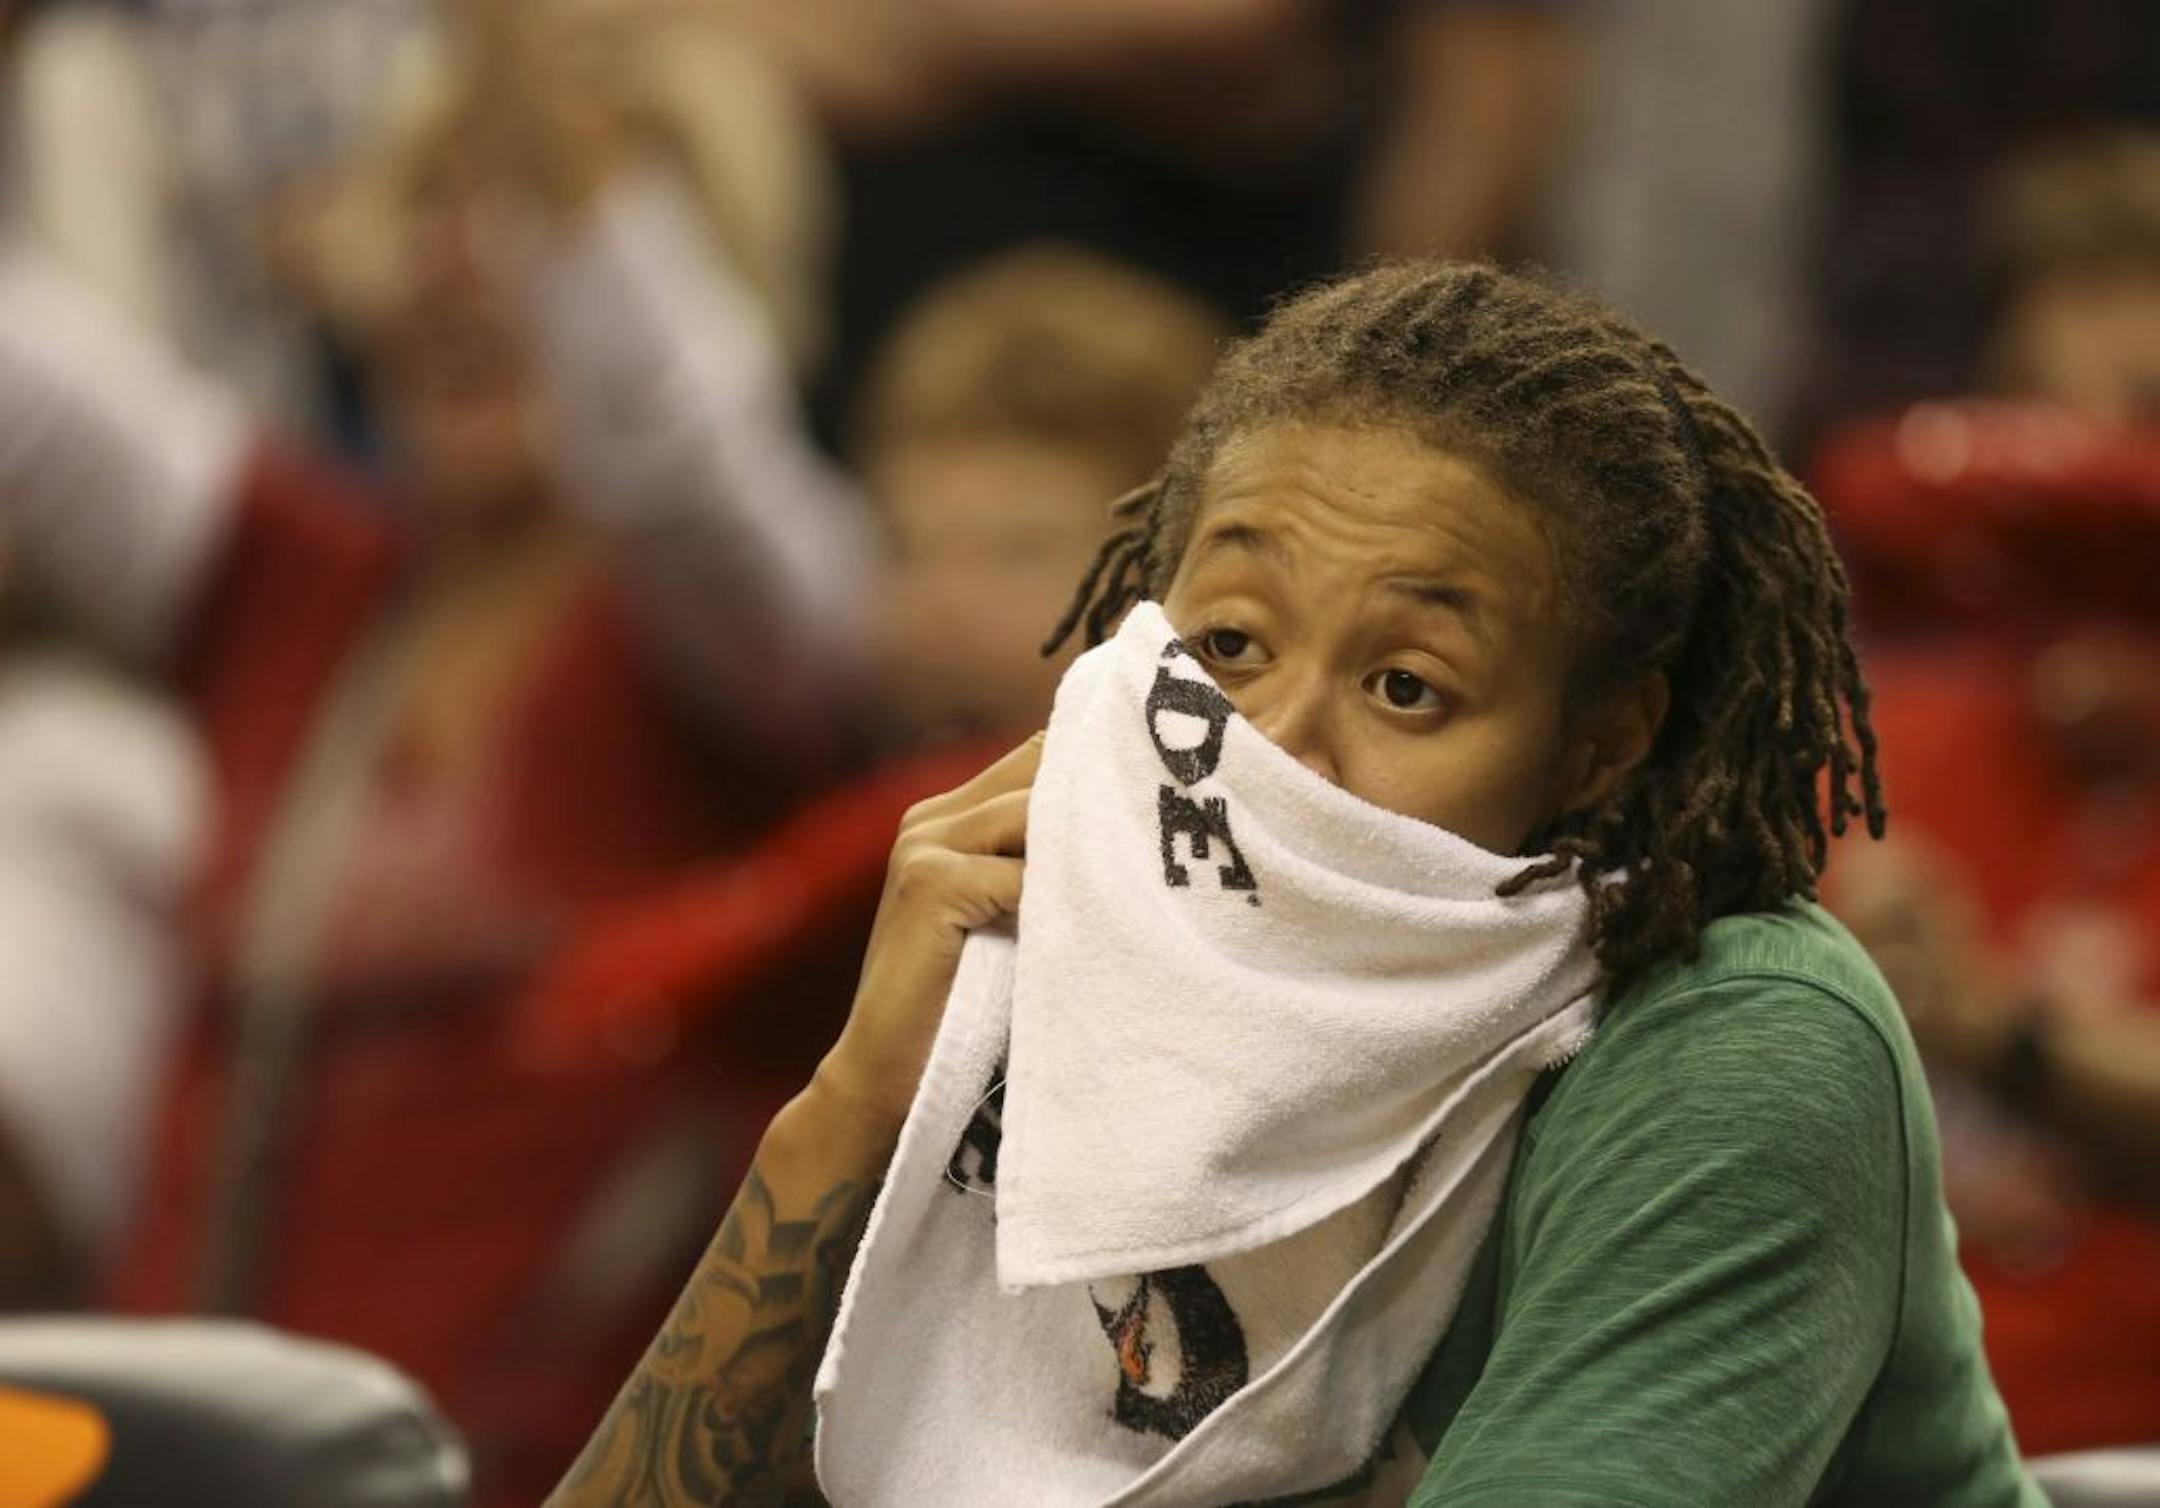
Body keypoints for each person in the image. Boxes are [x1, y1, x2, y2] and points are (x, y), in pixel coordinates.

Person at [547, 263, 2042, 1505]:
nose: (1273, 757)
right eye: (1230, 649)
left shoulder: (1736, 1047)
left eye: (1406, 687)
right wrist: (855, 1108)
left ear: (1599, 748)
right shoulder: (1065, 946)